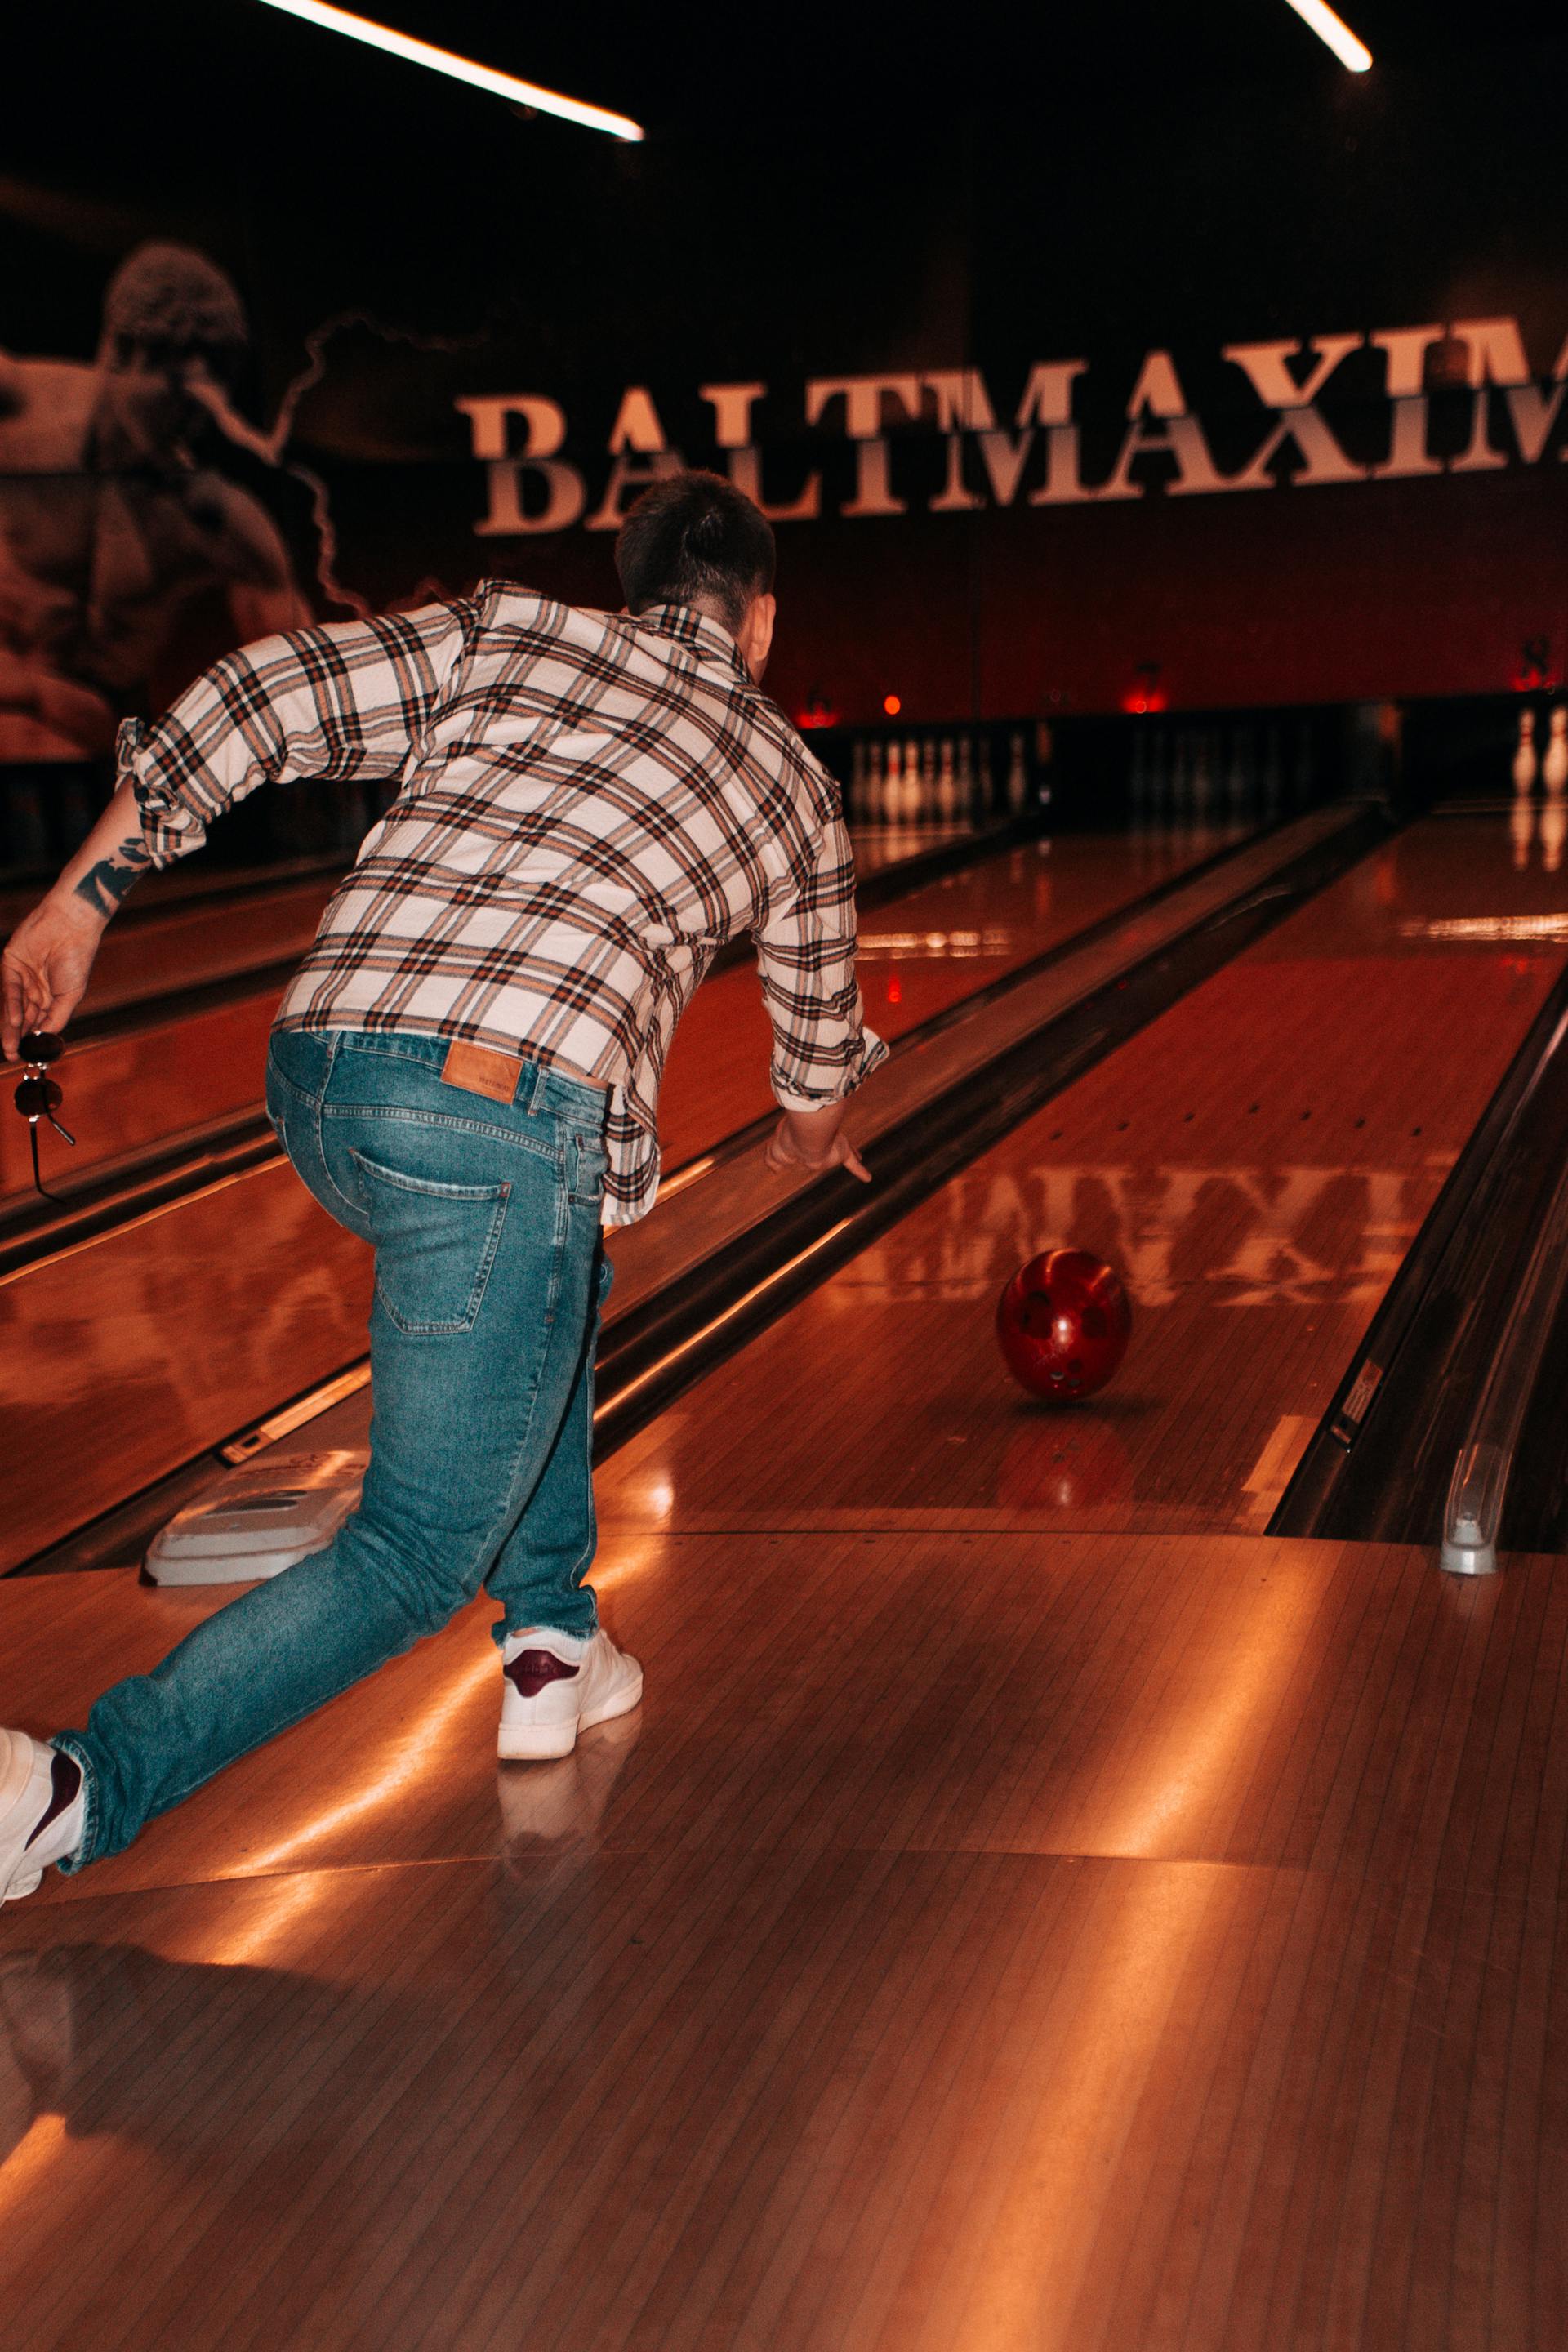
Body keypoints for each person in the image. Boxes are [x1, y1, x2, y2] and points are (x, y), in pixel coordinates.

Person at [0, 470, 885, 1903]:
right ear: (762, 622)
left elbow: (248, 698)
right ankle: (75, 1792)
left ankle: (551, 1642)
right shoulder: (792, 784)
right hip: (492, 1125)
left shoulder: (510, 635)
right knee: (412, 1549)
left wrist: (78, 905)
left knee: (559, 1253)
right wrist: (804, 1146)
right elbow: (817, 1086)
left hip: (324, 1073)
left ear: (633, 582)